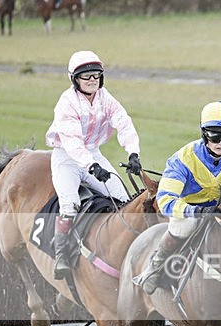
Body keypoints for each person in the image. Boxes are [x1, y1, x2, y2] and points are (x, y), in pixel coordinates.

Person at [45, 50, 143, 280]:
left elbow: (124, 122)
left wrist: (133, 153)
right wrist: (91, 166)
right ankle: (61, 255)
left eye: (96, 75)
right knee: (70, 204)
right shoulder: (66, 103)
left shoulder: (105, 98)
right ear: (75, 80)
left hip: (93, 154)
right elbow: (72, 142)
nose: (92, 80)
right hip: (66, 158)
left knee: (121, 198)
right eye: (86, 76)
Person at [136, 101, 221, 294]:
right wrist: (195, 211)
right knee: (184, 226)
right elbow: (165, 200)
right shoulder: (182, 159)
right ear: (204, 133)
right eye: (214, 135)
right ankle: (156, 266)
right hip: (190, 211)